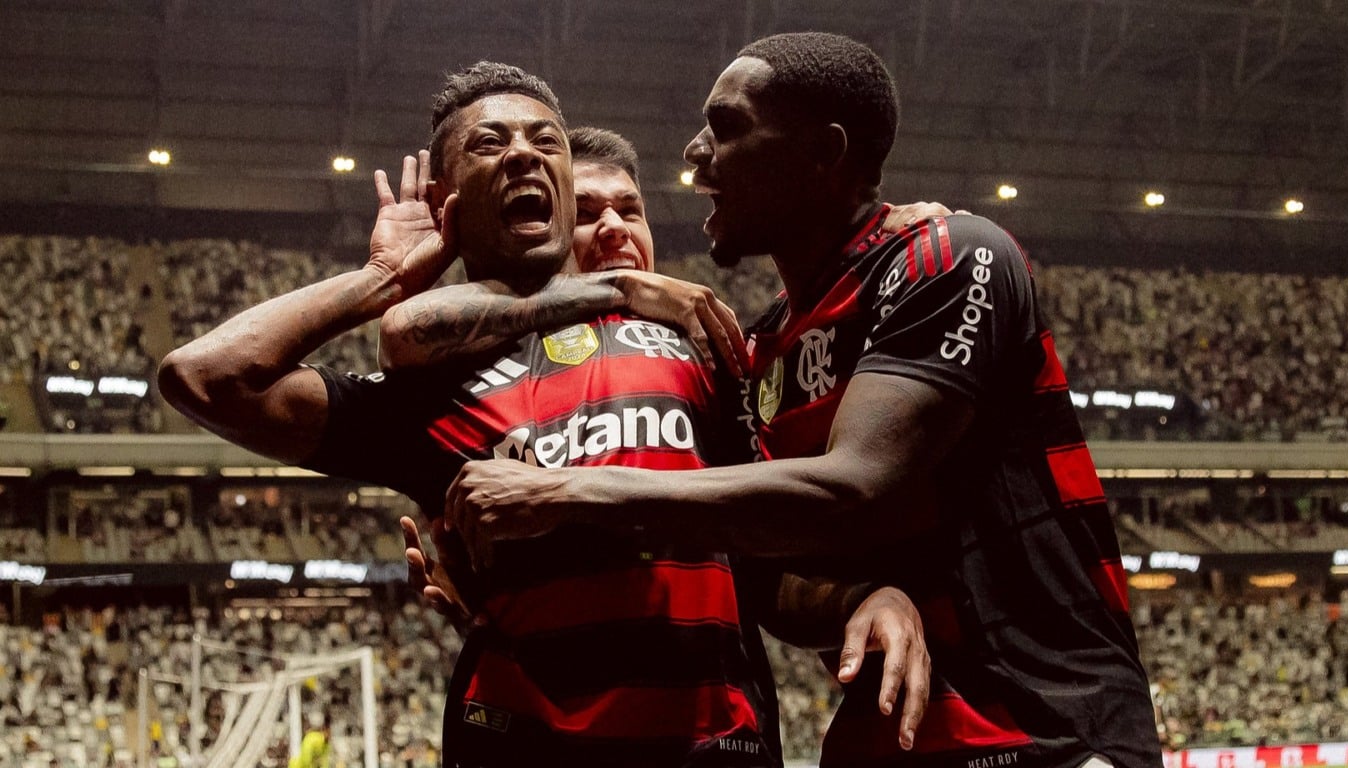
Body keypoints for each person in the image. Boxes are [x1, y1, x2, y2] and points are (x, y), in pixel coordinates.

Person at [160, 62, 918, 767]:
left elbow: (760, 557)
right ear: (446, 199)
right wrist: (381, 278)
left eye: (544, 139)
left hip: (712, 745)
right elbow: (204, 376)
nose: (524, 153)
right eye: (491, 143)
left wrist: (859, 596)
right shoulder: (428, 388)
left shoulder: (689, 343)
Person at [443, 34, 1163, 768]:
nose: (693, 153)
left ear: (824, 152)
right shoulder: (758, 352)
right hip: (888, 741)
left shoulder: (947, 255)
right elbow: (752, 568)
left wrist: (563, 492)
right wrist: (509, 584)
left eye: (725, 128)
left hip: (1047, 729)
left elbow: (853, 485)